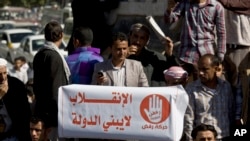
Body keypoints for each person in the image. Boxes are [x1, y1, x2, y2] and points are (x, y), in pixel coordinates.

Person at [165, 0, 226, 80]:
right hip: (186, 56)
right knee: (183, 87)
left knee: (205, 86)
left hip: (207, 56)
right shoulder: (185, 3)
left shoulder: (216, 7)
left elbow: (221, 33)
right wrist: (169, 9)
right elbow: (170, 20)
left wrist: (219, 59)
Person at [33, 21, 70, 141]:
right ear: (61, 35)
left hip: (42, 112)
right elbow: (56, 90)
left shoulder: (40, 54)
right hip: (52, 117)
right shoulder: (54, 57)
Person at [184, 54, 235, 140]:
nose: (200, 73)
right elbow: (188, 118)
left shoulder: (226, 86)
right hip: (203, 138)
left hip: (224, 136)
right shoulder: (191, 88)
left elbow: (231, 113)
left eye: (205, 69)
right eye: (199, 69)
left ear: (215, 69)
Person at [217, 0, 250, 126]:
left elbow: (236, 4)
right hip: (222, 47)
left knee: (240, 88)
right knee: (223, 88)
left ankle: (239, 126)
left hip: (242, 47)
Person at [0, 58, 31, 140]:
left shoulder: (16, 86)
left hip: (15, 135)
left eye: (4, 73)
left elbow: (25, 113)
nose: (3, 77)